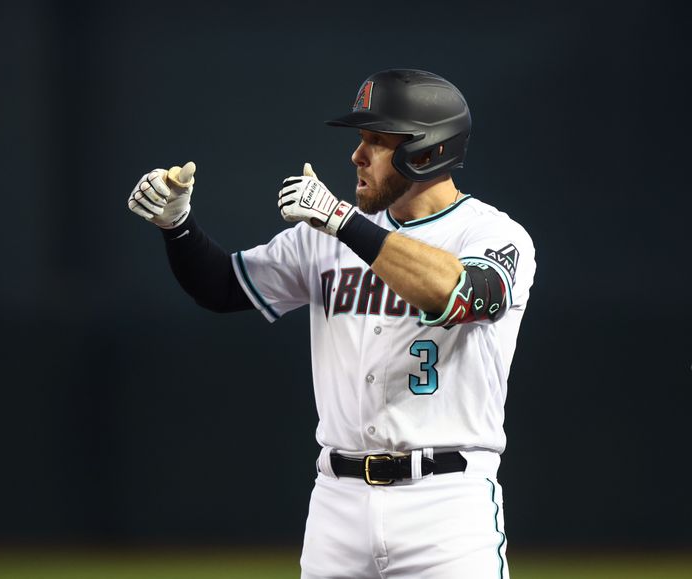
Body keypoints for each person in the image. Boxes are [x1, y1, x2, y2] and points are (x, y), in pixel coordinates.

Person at [127, 68, 535, 579]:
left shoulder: (492, 233)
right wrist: (177, 227)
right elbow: (225, 287)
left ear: (427, 152)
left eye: (376, 142)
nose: (356, 156)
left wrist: (342, 222)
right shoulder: (327, 233)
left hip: (446, 505)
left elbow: (460, 293)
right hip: (337, 504)